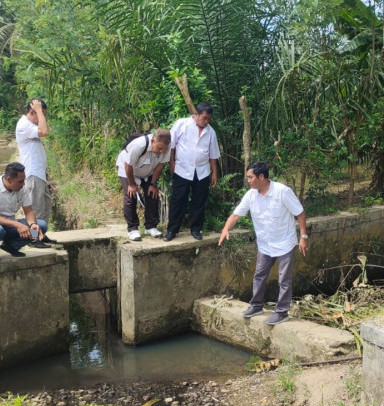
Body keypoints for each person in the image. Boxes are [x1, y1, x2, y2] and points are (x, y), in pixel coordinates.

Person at [218, 161, 308, 325]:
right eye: (247, 177)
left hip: (284, 243)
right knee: (259, 275)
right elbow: (236, 215)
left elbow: (300, 213)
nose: (248, 180)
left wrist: (303, 237)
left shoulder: (282, 192)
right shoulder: (251, 195)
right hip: (265, 244)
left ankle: (281, 312)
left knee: (284, 280)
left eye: (250, 177)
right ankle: (256, 305)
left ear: (261, 177)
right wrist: (225, 229)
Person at [163, 102, 220, 241]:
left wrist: (214, 173)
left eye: (209, 119)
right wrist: (171, 163)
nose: (206, 121)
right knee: (178, 200)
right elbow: (171, 145)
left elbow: (213, 155)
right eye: (204, 118)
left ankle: (196, 229)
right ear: (196, 115)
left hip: (202, 171)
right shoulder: (182, 124)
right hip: (182, 169)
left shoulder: (210, 132)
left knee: (199, 201)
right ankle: (172, 230)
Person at [0, 162, 49, 262]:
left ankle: (11, 246)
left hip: (10, 227)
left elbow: (29, 211)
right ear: (9, 179)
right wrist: (18, 225)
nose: (23, 184)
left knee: (41, 226)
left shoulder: (21, 189)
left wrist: (32, 224)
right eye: (20, 181)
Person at [116, 129, 171, 240]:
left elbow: (160, 165)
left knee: (152, 193)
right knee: (131, 196)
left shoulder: (168, 147)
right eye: (159, 148)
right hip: (127, 170)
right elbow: (128, 165)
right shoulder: (138, 145)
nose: (161, 151)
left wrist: (153, 184)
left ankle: (151, 226)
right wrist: (132, 184)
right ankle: (133, 229)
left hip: (148, 170)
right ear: (152, 141)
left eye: (163, 149)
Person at [16, 98, 55, 245]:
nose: (41, 119)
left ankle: (41, 235)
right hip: (32, 174)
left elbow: (45, 128)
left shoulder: (30, 125)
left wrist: (40, 113)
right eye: (40, 115)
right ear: (33, 112)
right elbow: (45, 131)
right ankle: (33, 238)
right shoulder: (24, 125)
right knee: (35, 209)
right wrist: (39, 110)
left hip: (38, 174)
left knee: (45, 206)